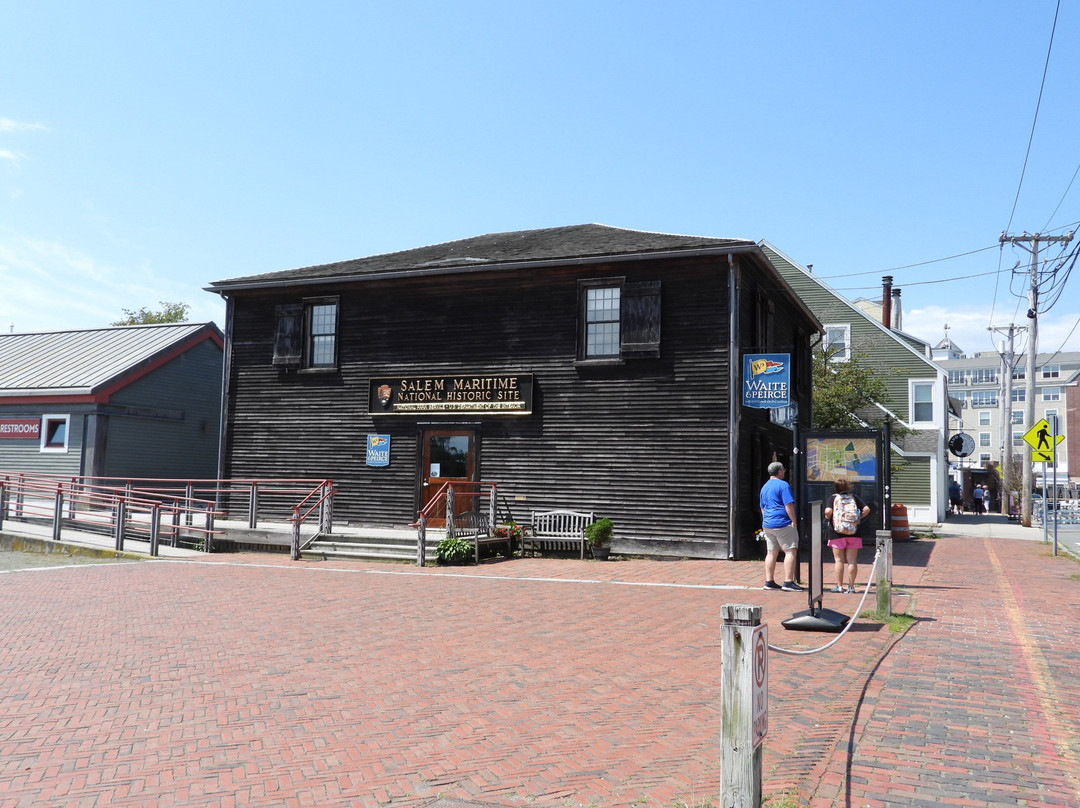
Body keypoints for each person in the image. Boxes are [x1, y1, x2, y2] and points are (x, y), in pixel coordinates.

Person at [759, 461, 804, 592]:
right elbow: (788, 505)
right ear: (779, 471)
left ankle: (769, 581)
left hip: (768, 524)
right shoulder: (783, 485)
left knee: (771, 552)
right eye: (783, 470)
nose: (784, 471)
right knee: (790, 551)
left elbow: (762, 507)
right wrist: (793, 520)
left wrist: (767, 519)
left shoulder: (764, 487)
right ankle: (788, 582)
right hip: (783, 522)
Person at [823, 479, 871, 594]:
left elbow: (828, 511)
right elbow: (867, 509)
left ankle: (839, 586)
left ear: (835, 488)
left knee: (839, 560)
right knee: (852, 561)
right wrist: (858, 518)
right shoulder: (854, 498)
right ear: (848, 487)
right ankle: (851, 587)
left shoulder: (833, 498)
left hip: (837, 533)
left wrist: (829, 517)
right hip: (853, 532)